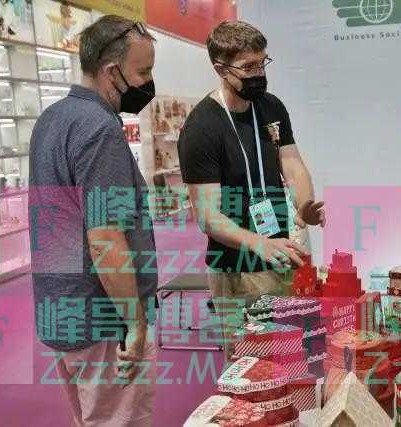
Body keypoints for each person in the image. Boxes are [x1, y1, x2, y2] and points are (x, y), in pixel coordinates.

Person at [28, 15, 158, 427]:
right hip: (102, 315)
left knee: (89, 418)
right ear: (111, 71)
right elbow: (105, 237)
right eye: (143, 72)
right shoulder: (100, 129)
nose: (148, 83)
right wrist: (134, 321)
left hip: (62, 306)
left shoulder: (52, 119)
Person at [177, 21, 325, 310]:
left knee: (289, 335)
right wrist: (258, 243)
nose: (258, 74)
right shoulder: (201, 128)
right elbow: (208, 216)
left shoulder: (271, 107)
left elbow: (292, 163)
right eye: (248, 67)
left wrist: (304, 204)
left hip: (280, 253)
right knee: (248, 340)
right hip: (236, 268)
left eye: (262, 63)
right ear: (221, 69)